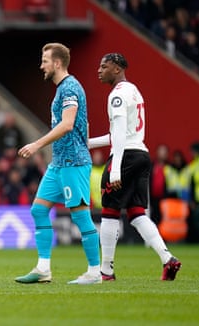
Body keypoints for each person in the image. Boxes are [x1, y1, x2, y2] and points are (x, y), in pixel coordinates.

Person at [88, 52, 181, 281]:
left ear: (117, 69)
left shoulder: (117, 95)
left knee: (109, 212)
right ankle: (167, 258)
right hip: (141, 154)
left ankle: (106, 271)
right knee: (136, 213)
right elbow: (119, 133)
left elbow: (119, 134)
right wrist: (89, 143)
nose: (99, 70)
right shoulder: (134, 90)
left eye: (104, 66)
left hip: (126, 156)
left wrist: (117, 167)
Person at [15, 43, 101, 285]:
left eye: (44, 61)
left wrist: (36, 145)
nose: (41, 65)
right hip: (59, 163)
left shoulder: (70, 87)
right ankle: (43, 269)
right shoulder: (62, 89)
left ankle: (95, 272)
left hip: (73, 162)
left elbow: (67, 124)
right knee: (39, 210)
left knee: (80, 216)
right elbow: (83, 124)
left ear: (57, 63)